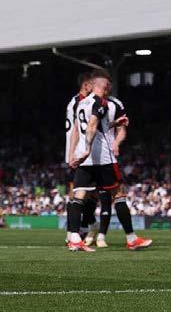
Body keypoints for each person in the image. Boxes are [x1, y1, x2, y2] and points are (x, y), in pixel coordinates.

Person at [68, 69, 151, 252]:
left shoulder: (81, 103)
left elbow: (90, 127)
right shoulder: (100, 102)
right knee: (119, 195)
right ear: (103, 85)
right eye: (107, 86)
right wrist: (88, 149)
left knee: (78, 196)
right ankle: (131, 239)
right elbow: (92, 126)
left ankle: (74, 238)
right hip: (102, 158)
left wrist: (114, 124)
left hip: (85, 160)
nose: (108, 89)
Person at [65, 72, 94, 245]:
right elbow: (76, 130)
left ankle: (79, 229)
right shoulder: (80, 102)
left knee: (85, 193)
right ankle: (75, 231)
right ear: (85, 85)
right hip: (79, 153)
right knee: (78, 194)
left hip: (77, 152)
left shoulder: (76, 102)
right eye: (91, 83)